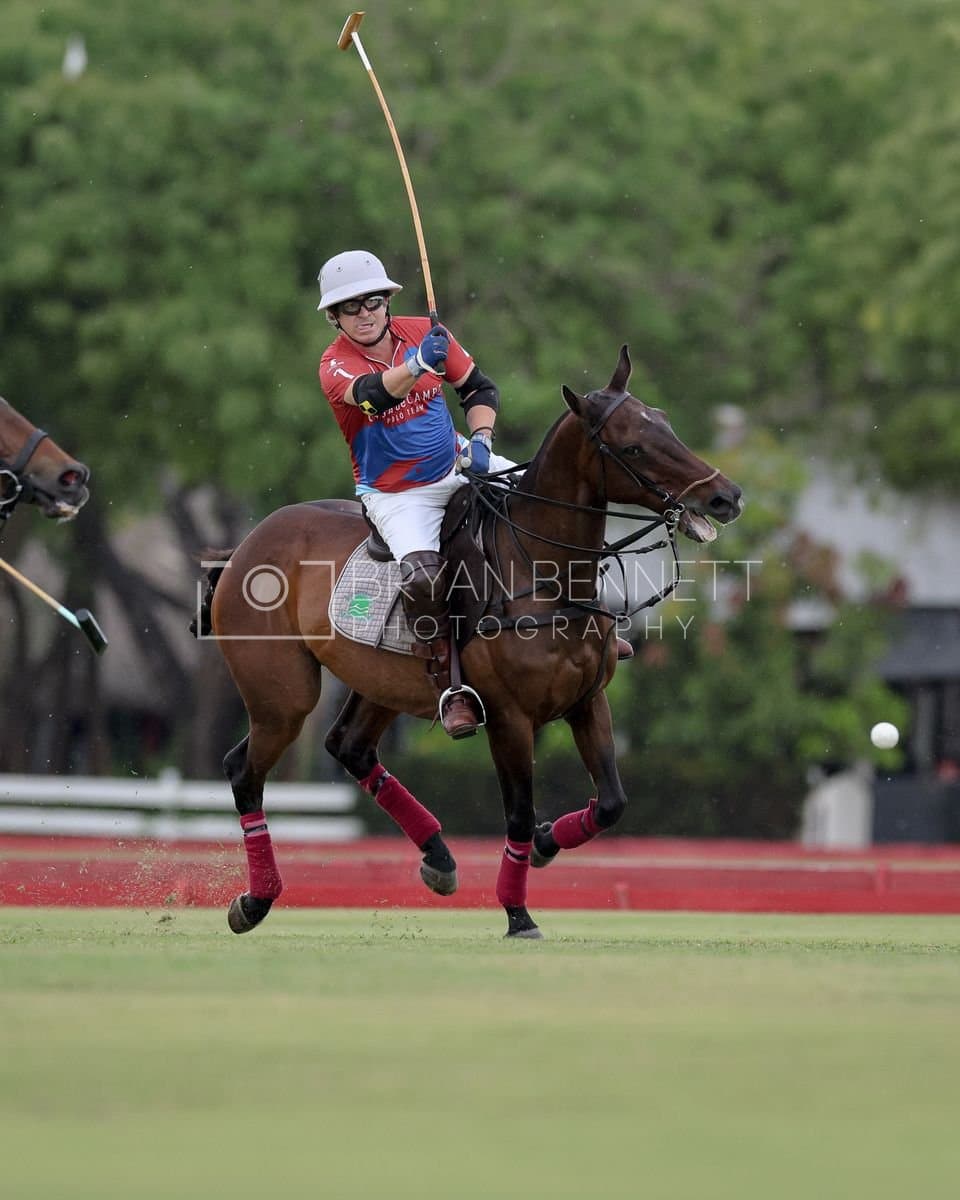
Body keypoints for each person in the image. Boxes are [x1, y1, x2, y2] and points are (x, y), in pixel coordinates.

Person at [317, 249, 513, 739]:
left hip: (457, 459)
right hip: (396, 493)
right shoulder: (334, 364)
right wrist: (420, 362)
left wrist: (484, 441)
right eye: (350, 307)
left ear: (387, 301)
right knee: (425, 579)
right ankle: (451, 688)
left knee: (548, 504)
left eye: (373, 301)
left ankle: (592, 625)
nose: (364, 313)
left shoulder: (422, 332)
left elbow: (479, 390)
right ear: (334, 317)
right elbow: (373, 395)